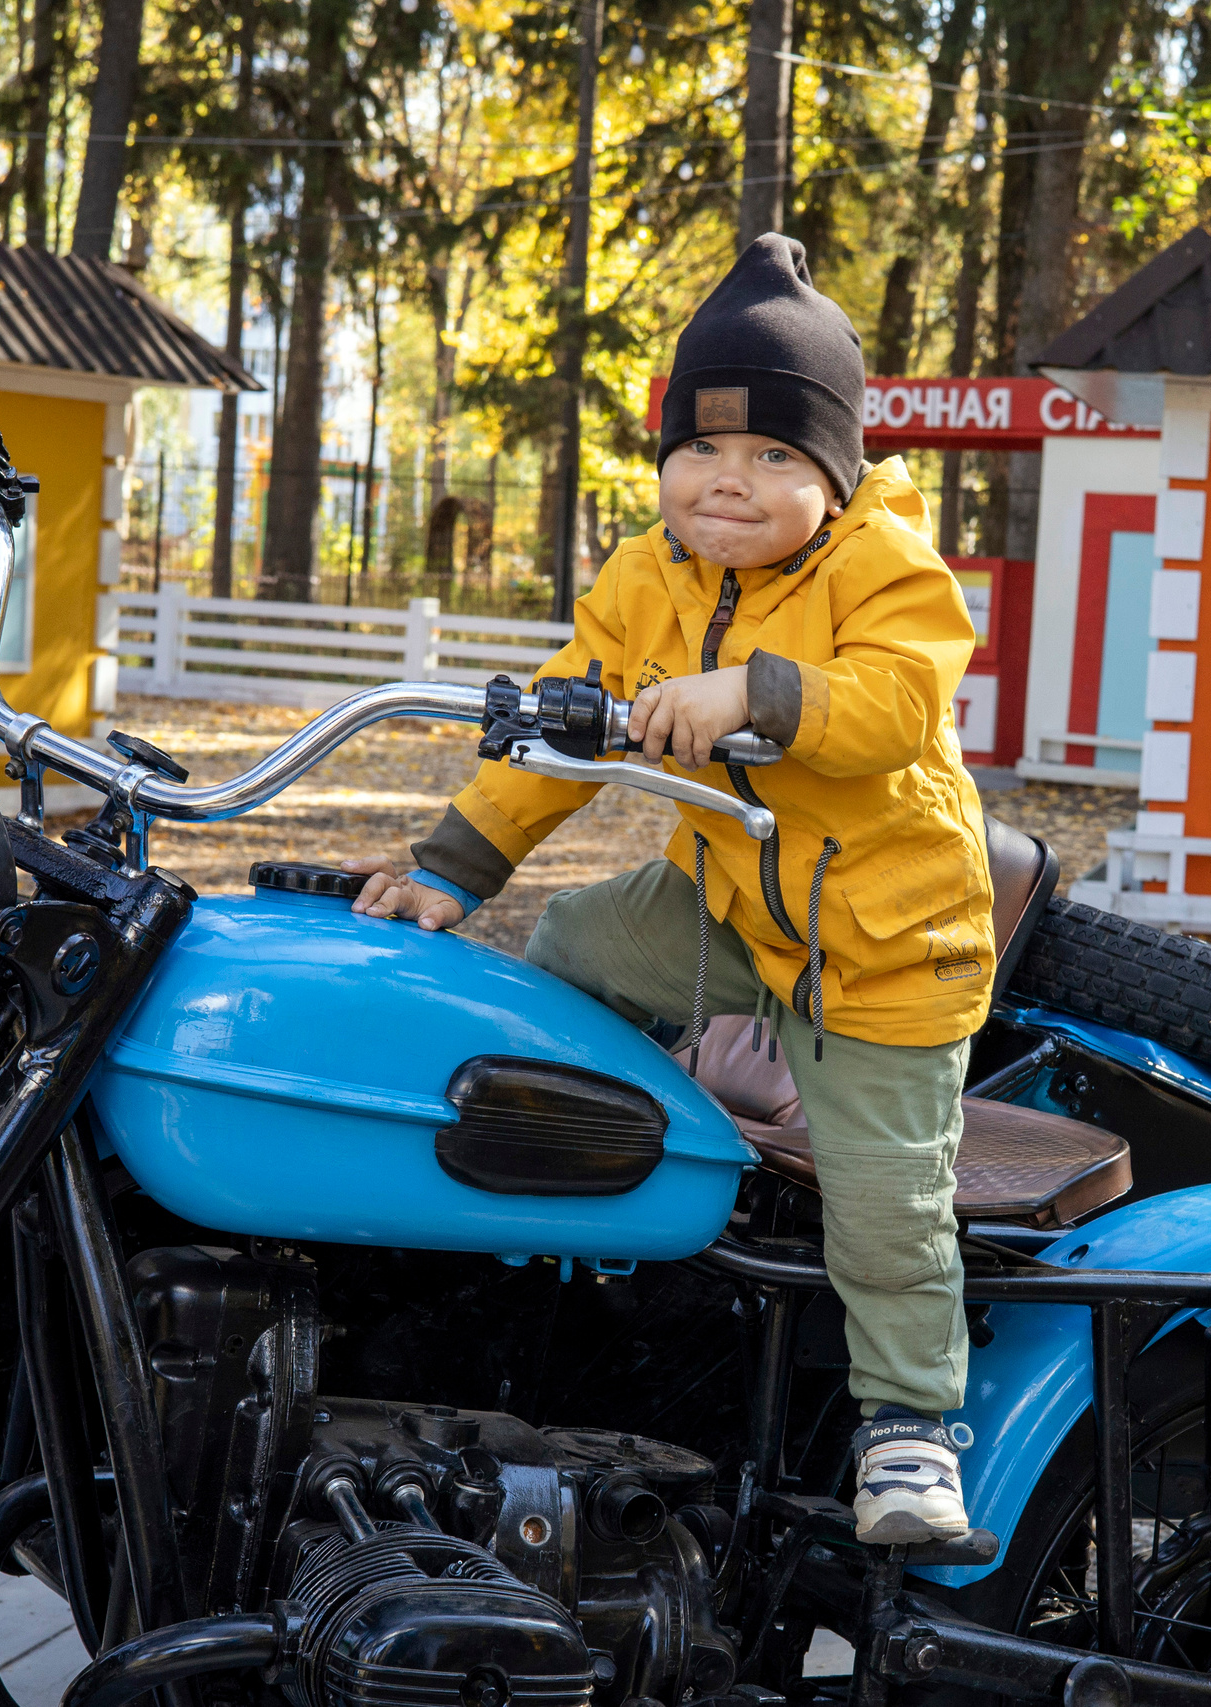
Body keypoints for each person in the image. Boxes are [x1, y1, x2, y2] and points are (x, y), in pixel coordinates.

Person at [342, 233, 990, 1545]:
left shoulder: (888, 570)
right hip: (731, 906)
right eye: (700, 449)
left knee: (887, 1200)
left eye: (774, 457)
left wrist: (755, 692)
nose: (728, 483)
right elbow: (557, 738)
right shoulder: (646, 576)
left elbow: (893, 706)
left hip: (884, 941)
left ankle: (911, 1429)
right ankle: (592, 1206)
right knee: (576, 939)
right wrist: (450, 868)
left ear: (835, 471)